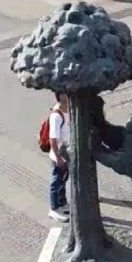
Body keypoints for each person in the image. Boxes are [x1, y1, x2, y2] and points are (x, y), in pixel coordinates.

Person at [48, 93, 70, 222]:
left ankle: (62, 203)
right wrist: (58, 158)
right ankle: (54, 209)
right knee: (56, 182)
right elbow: (53, 139)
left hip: (66, 154)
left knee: (63, 180)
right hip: (59, 156)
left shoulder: (67, 110)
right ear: (61, 96)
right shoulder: (56, 116)